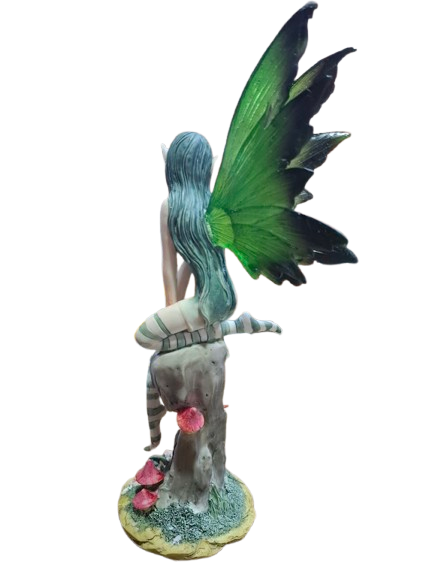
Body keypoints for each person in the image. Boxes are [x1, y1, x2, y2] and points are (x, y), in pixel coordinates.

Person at [135, 132, 281, 353]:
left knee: (145, 337)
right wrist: (175, 313)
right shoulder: (215, 206)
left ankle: (234, 327)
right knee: (170, 327)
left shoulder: (170, 206)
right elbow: (190, 263)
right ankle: (236, 325)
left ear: (172, 167)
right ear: (206, 168)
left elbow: (168, 266)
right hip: (225, 298)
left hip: (202, 306)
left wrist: (171, 312)